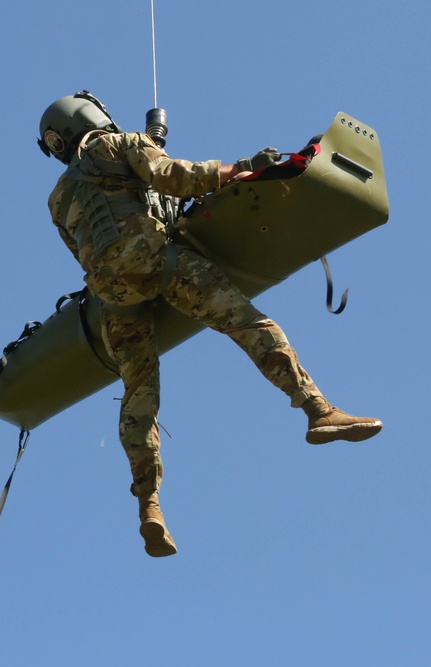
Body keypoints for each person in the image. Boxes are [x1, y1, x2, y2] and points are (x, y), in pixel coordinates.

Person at [38, 91, 382, 557]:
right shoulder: (117, 145)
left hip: (112, 295)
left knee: (139, 398)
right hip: (159, 262)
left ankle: (150, 507)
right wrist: (240, 168)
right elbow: (177, 177)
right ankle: (317, 410)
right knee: (249, 325)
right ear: (92, 116)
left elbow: (101, 233)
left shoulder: (58, 199)